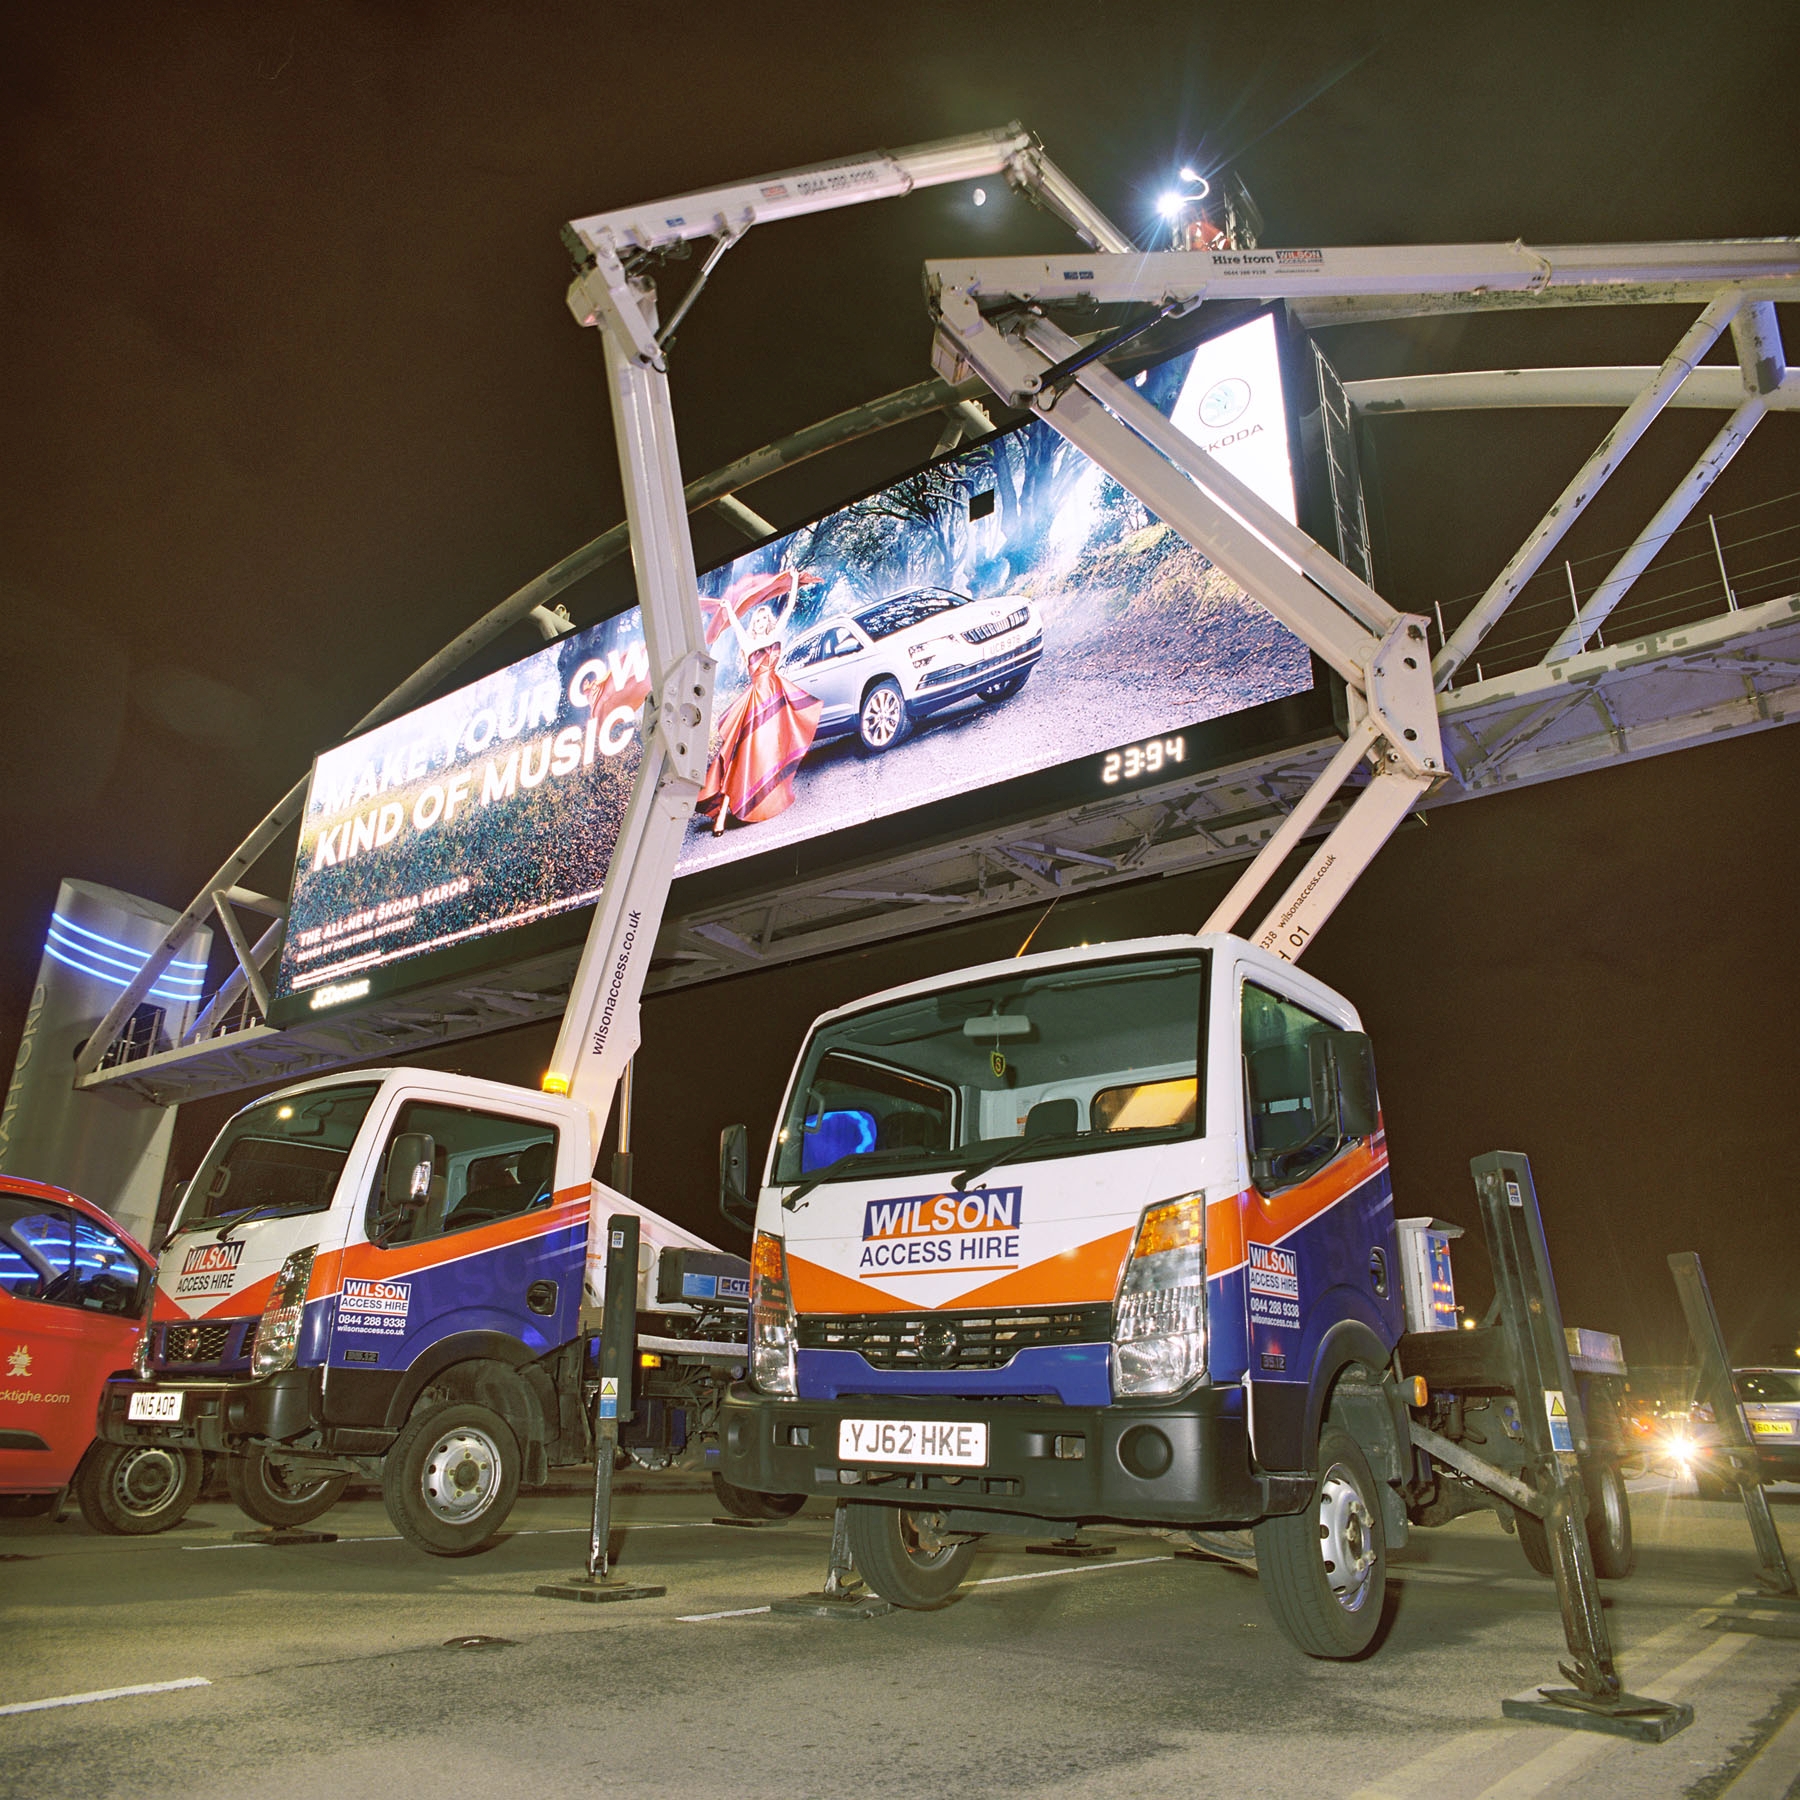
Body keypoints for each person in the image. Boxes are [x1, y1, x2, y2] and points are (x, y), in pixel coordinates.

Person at [696, 570, 823, 834]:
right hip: (755, 703)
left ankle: (764, 796)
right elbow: (734, 621)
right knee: (742, 757)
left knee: (769, 752)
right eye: (759, 617)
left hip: (775, 699)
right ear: (754, 622)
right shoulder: (746, 640)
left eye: (766, 617)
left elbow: (788, 608)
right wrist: (728, 607)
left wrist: (795, 582)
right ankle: (722, 814)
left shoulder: (775, 633)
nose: (763, 620)